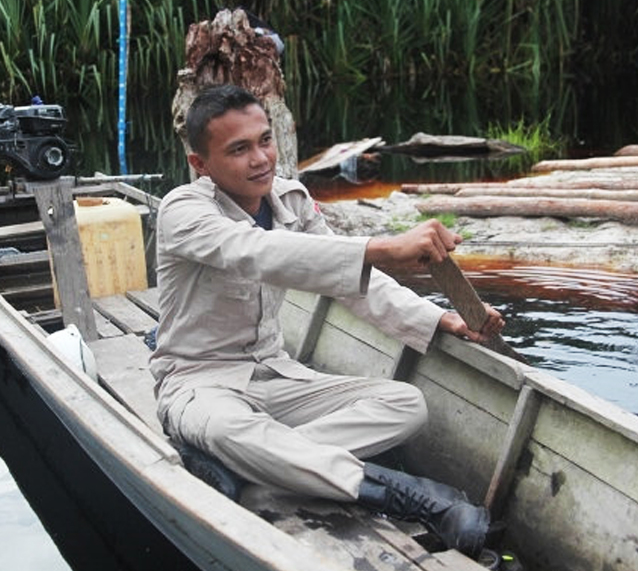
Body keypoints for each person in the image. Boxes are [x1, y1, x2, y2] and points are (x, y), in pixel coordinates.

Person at [149, 84, 505, 559]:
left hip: (273, 376)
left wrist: (437, 317)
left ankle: (251, 465)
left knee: (406, 403)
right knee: (227, 431)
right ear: (201, 165)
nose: (260, 159)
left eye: (265, 140)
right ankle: (418, 498)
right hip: (197, 383)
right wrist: (384, 246)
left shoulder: (290, 201)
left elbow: (353, 282)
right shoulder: (183, 210)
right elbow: (255, 252)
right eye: (239, 149)